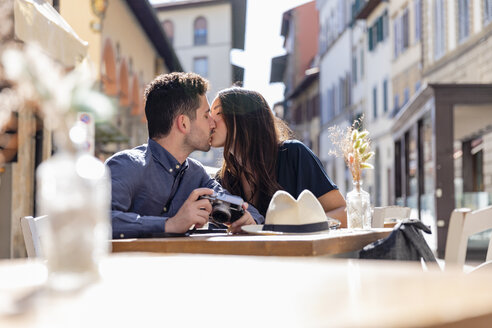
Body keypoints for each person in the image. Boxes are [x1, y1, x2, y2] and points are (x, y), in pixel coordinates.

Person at [106, 73, 263, 238]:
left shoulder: (196, 175)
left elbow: (248, 212)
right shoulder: (127, 165)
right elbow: (98, 219)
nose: (212, 123)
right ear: (183, 123)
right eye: (205, 115)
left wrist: (246, 219)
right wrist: (170, 225)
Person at [210, 87, 347, 227]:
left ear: (244, 118)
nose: (210, 120)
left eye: (219, 112)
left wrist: (295, 227)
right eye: (208, 114)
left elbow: (342, 213)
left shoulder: (294, 154)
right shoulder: (223, 179)